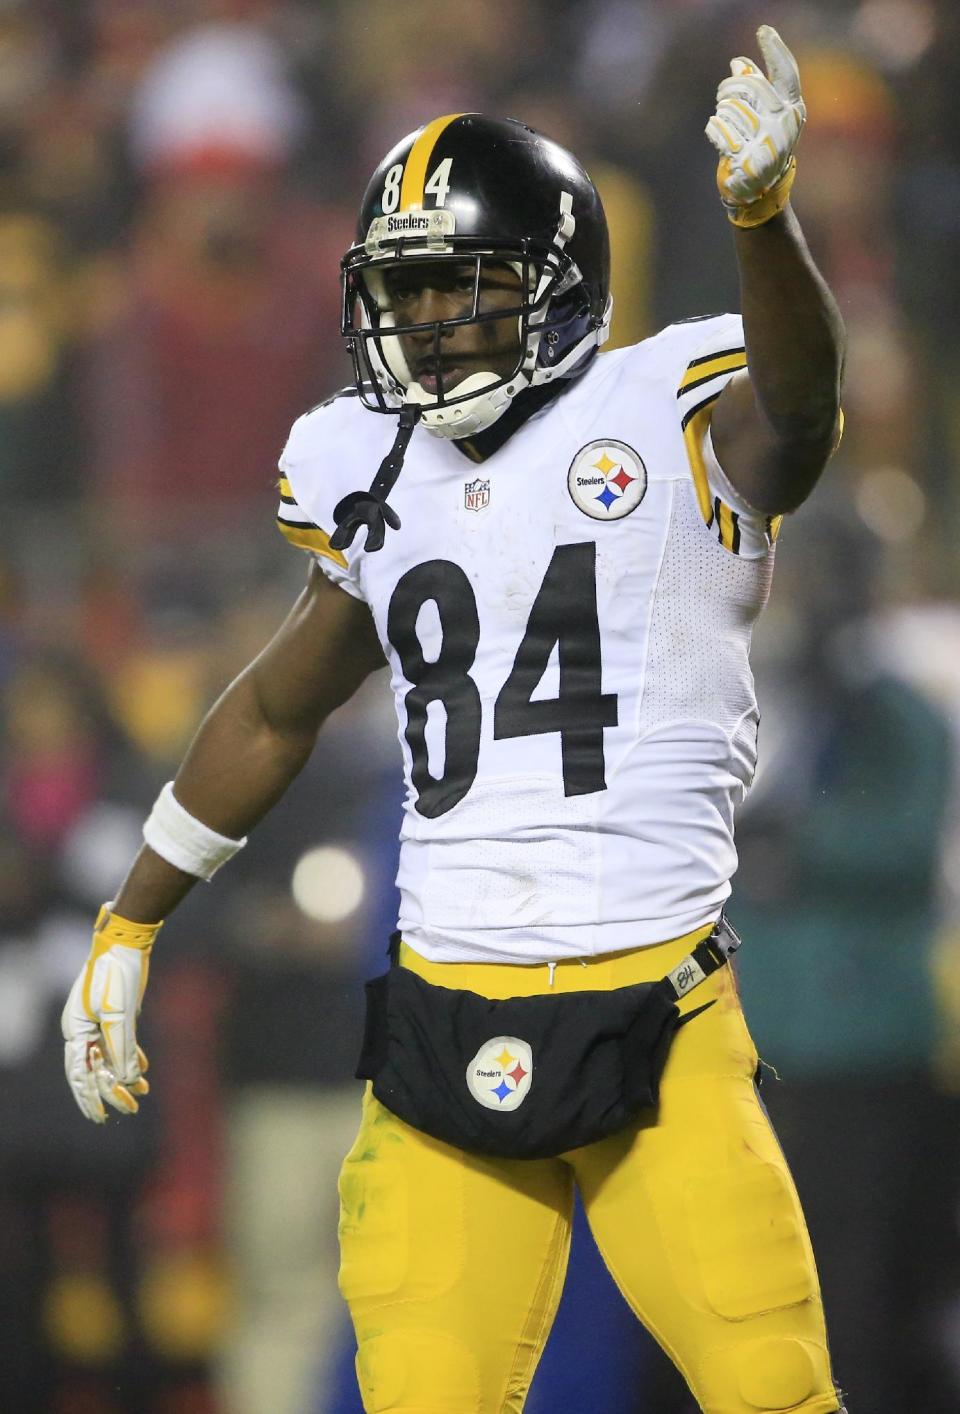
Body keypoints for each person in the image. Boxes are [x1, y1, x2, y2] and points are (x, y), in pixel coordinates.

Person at [61, 27, 848, 1414]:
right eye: (401, 294)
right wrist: (133, 915)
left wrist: (763, 224)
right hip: (437, 1024)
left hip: (657, 1018)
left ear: (554, 291)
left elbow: (801, 410)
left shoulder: (662, 411)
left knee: (771, 1389)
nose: (420, 325)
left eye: (457, 290)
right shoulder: (368, 468)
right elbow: (276, 703)